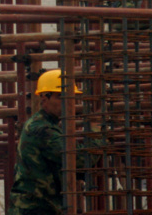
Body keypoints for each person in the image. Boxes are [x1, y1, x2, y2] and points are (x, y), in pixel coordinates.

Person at [7, 69, 101, 215]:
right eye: (60, 97)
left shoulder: (48, 126)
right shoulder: (41, 129)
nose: (68, 103)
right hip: (34, 209)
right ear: (44, 98)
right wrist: (98, 134)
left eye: (71, 98)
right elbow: (80, 159)